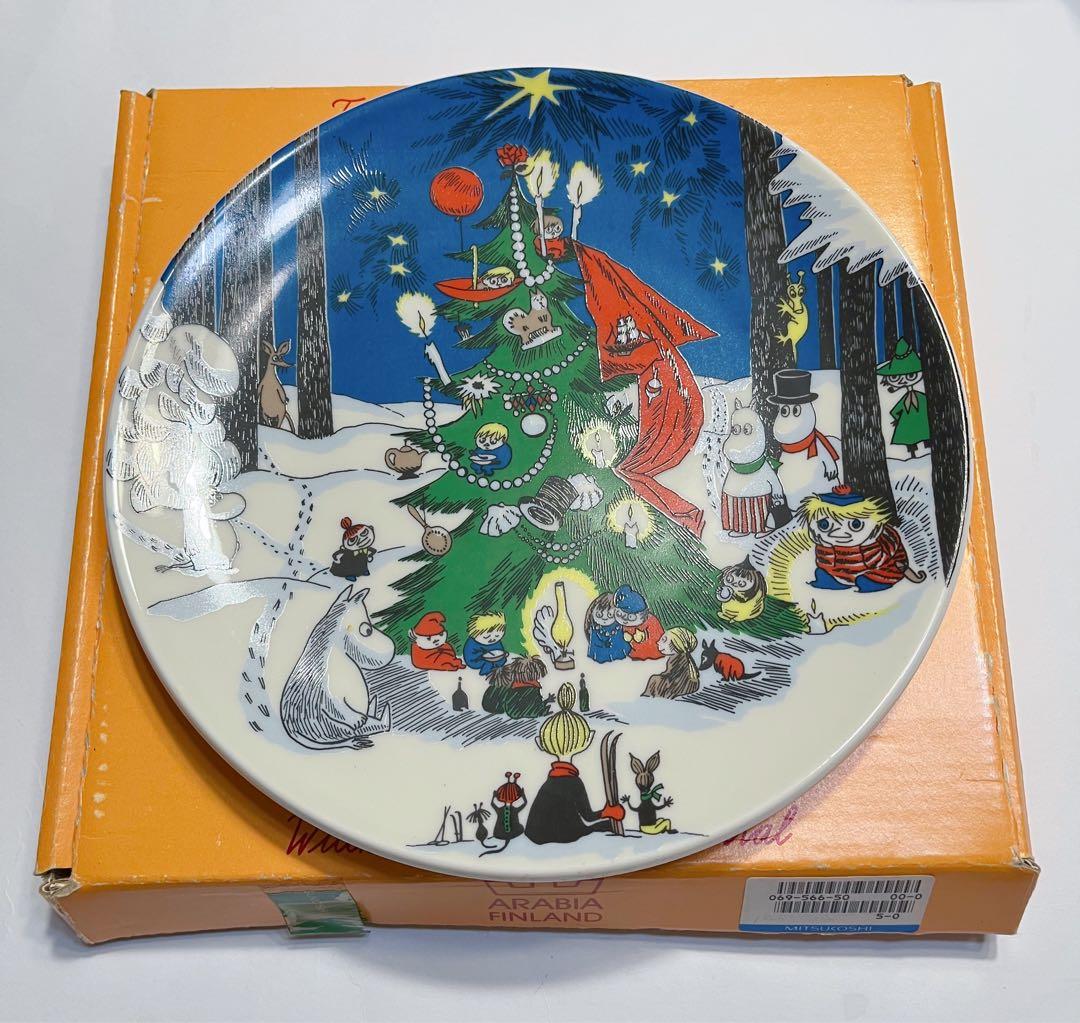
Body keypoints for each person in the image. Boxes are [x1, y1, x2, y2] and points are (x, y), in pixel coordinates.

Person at [525, 683, 624, 845]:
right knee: (604, 826)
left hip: (536, 835)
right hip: (562, 835)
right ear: (588, 739)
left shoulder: (549, 783)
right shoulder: (574, 782)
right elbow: (588, 816)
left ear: (541, 743)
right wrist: (608, 812)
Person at [613, 586, 664, 660]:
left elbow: (657, 641)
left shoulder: (651, 621)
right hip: (630, 659)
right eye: (619, 614)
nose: (625, 620)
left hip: (652, 658)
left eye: (630, 617)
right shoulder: (620, 625)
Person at [462, 612, 509, 677]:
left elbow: (499, 650)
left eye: (497, 636)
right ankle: (487, 674)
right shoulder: (472, 643)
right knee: (488, 663)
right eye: (486, 637)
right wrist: (482, 655)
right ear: (474, 634)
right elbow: (469, 655)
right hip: (476, 660)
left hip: (492, 658)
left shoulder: (496, 641)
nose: (492, 639)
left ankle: (499, 671)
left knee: (502, 660)